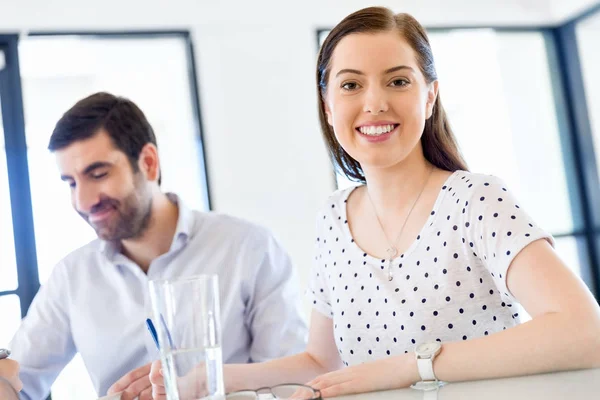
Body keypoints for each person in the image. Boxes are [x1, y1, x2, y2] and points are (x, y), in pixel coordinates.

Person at [149, 6, 600, 399]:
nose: (374, 103)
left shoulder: (475, 200)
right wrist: (209, 379)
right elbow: (321, 365)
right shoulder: (333, 218)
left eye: (398, 81)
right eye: (350, 86)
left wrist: (413, 365)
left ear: (430, 97)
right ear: (327, 106)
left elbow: (585, 331)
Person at [9, 92, 307, 400]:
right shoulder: (72, 277)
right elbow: (17, 382)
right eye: (71, 183)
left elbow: (290, 381)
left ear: (149, 163)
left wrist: (210, 384)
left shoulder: (249, 248)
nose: (83, 201)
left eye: (98, 174)